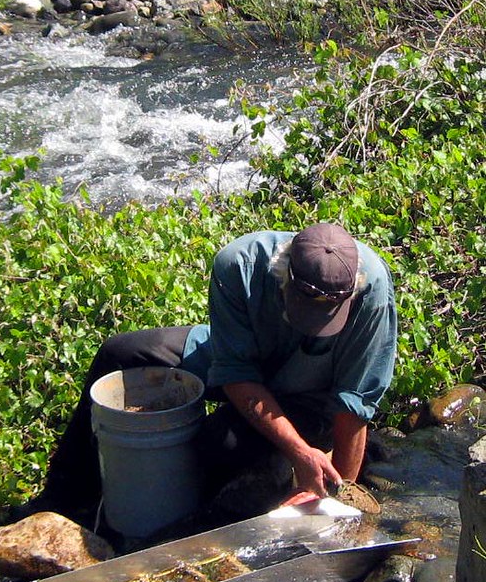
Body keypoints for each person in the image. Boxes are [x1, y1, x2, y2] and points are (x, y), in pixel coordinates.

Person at [26, 223, 398, 525]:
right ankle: (65, 496)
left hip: (310, 392)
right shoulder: (237, 265)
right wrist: (299, 451)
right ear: (281, 274)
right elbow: (236, 371)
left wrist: (339, 497)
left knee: (223, 446)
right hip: (243, 362)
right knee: (119, 353)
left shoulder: (373, 290)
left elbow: (354, 402)